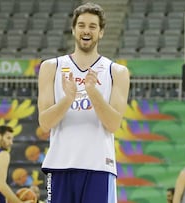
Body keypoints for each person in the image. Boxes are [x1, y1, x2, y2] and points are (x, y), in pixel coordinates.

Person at [37, 2, 130, 203]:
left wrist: (92, 92)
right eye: (81, 25)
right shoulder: (51, 67)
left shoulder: (117, 72)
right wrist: (68, 99)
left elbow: (113, 124)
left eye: (92, 26)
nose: (86, 31)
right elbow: (45, 123)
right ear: (73, 29)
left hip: (99, 166)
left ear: (101, 32)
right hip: (60, 165)